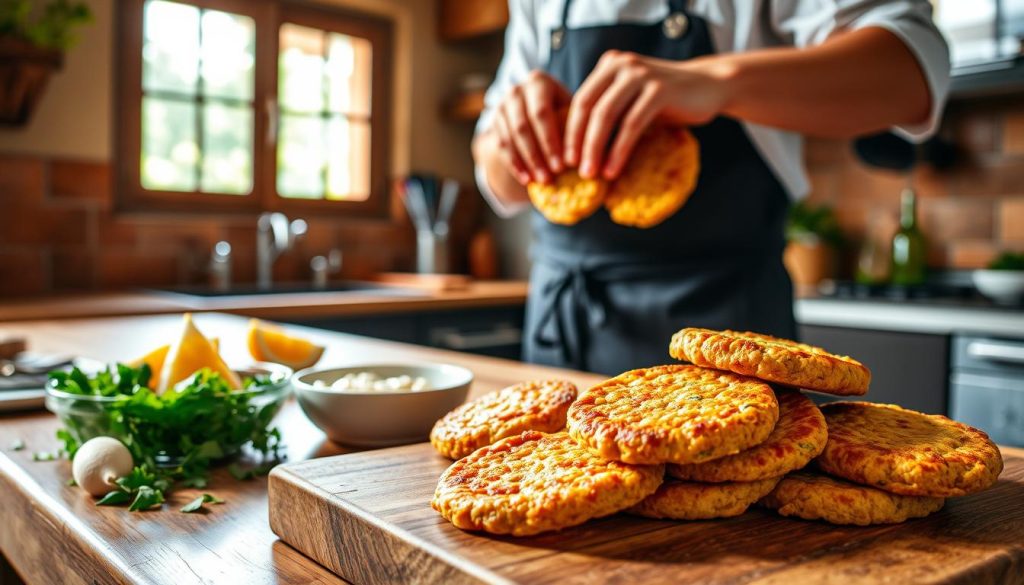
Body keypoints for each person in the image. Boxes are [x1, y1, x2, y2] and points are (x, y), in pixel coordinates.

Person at [472, 0, 949, 375]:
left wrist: (717, 81)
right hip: (562, 329)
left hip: (725, 338)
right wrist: (515, 137)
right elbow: (499, 178)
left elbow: (911, 73)